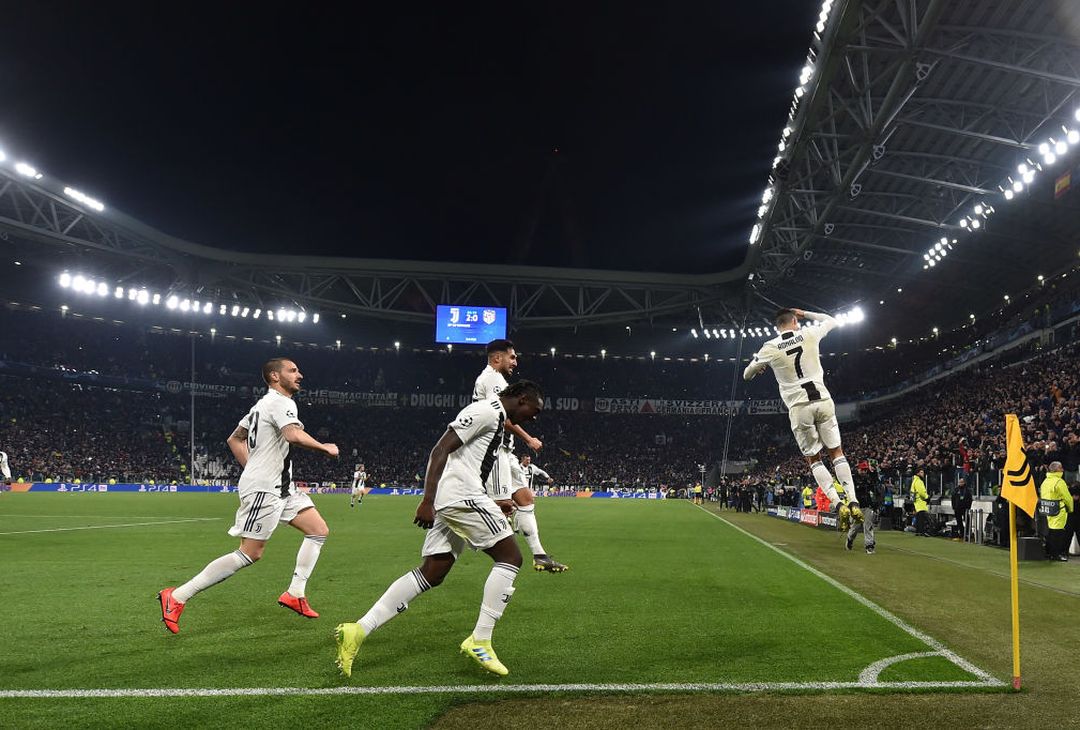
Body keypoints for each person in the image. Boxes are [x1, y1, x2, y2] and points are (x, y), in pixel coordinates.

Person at [334, 380, 545, 678]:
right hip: (459, 495)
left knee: (433, 571)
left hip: (461, 495)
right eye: (533, 411)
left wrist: (492, 502)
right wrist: (427, 500)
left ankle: (358, 630)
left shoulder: (496, 418)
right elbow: (441, 448)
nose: (533, 418)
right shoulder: (486, 411)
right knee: (511, 557)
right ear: (522, 399)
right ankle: (480, 639)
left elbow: (467, 462)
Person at [157, 358, 340, 633]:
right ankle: (178, 596)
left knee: (318, 530)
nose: (300, 375)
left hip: (283, 487)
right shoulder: (280, 402)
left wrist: (253, 466)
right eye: (293, 371)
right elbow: (293, 435)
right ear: (275, 377)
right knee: (250, 553)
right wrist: (325, 448)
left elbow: (235, 438)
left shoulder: (260, 406)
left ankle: (295, 593)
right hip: (266, 488)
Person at [743, 308, 863, 530]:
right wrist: (805, 313)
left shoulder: (769, 347)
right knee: (836, 452)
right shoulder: (809, 334)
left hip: (799, 408)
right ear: (795, 321)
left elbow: (746, 374)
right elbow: (832, 321)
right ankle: (853, 500)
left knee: (814, 459)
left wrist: (760, 367)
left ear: (777, 326)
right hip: (823, 400)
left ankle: (837, 504)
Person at [473, 339, 567, 572]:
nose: (515, 361)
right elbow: (501, 417)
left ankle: (539, 555)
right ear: (497, 358)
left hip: (506, 452)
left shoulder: (498, 380)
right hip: (493, 451)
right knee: (501, 506)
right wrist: (529, 438)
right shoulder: (492, 379)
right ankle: (500, 556)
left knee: (525, 498)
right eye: (512, 357)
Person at [1038, 461, 1072, 562]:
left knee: (1049, 532)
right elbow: (1067, 498)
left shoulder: (1045, 481)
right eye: (1061, 468)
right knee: (1058, 533)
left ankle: (1049, 553)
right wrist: (1070, 508)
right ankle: (1056, 554)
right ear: (1057, 470)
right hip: (1058, 510)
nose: (1062, 470)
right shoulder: (1059, 482)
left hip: (1047, 509)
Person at [846, 462, 881, 554]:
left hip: (867, 505)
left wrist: (875, 504)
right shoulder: (853, 479)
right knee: (855, 527)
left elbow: (875, 486)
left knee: (868, 526)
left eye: (865, 470)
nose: (864, 471)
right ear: (858, 469)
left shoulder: (869, 478)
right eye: (862, 469)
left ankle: (869, 546)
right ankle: (850, 539)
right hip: (857, 506)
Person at [911, 467, 930, 536]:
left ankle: (918, 531)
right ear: (918, 473)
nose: (923, 474)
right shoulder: (919, 481)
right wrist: (927, 497)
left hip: (916, 502)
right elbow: (921, 492)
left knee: (919, 518)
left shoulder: (914, 480)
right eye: (921, 472)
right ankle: (922, 531)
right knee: (922, 518)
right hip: (921, 501)